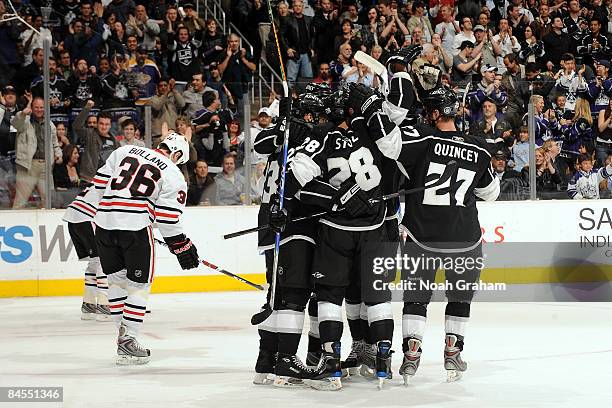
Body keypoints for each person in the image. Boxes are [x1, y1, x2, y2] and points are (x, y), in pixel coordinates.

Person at [348, 84, 499, 383]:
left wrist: (371, 108)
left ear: (432, 113)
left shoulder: (424, 139)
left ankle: (411, 354)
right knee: (459, 298)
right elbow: (491, 193)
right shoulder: (480, 147)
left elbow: (389, 146)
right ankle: (453, 352)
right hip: (465, 239)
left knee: (416, 298)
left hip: (422, 237)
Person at [272, 87, 395, 391]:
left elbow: (295, 173)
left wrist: (333, 197)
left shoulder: (323, 137)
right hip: (375, 227)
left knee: (329, 297)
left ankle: (332, 365)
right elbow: (394, 148)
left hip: (335, 231)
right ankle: (382, 360)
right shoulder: (371, 129)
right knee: (378, 295)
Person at [90, 133, 199, 364]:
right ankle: (129, 339)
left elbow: (99, 185)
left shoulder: (124, 151)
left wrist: (118, 213)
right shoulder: (173, 173)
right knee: (139, 285)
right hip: (135, 229)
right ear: (177, 154)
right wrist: (181, 246)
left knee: (116, 281)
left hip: (104, 224)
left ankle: (123, 338)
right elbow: (169, 219)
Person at [63, 184, 110, 321]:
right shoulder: (116, 178)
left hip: (73, 218)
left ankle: (88, 304)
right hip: (88, 217)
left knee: (94, 261)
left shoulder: (101, 177)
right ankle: (104, 305)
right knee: (103, 260)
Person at [11, 95, 62, 209]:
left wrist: (58, 155)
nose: (39, 110)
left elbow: (55, 143)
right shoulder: (25, 121)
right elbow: (15, 123)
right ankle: (16, 225)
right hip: (27, 166)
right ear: (32, 108)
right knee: (20, 201)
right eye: (36, 107)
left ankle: (46, 225)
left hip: (46, 166)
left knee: (48, 201)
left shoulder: (50, 124)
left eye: (42, 107)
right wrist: (24, 113)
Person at [73, 100, 120, 182]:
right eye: (101, 123)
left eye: (107, 124)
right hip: (90, 178)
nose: (104, 127)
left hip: (108, 179)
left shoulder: (115, 140)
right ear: (97, 124)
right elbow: (76, 126)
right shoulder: (90, 134)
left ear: (110, 126)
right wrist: (87, 108)